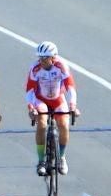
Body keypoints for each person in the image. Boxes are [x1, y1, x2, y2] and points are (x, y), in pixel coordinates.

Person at [26, 41, 79, 177]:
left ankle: (62, 158)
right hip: (40, 99)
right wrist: (31, 107)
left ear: (53, 57)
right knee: (42, 124)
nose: (42, 61)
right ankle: (41, 161)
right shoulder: (35, 68)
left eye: (45, 58)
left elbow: (70, 87)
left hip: (57, 99)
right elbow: (30, 90)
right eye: (40, 58)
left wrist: (72, 105)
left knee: (64, 125)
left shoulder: (61, 66)